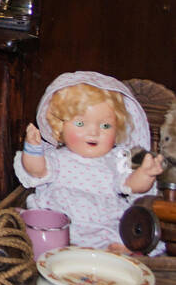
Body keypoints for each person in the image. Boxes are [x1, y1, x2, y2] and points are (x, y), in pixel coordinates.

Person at [15, 71, 163, 252]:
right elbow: (36, 171)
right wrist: (32, 147)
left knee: (125, 236)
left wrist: (145, 174)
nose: (93, 132)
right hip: (64, 221)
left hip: (105, 223)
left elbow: (133, 186)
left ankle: (116, 255)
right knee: (46, 233)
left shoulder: (117, 161)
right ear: (60, 126)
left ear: (118, 129)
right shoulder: (58, 158)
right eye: (80, 124)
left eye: (105, 126)